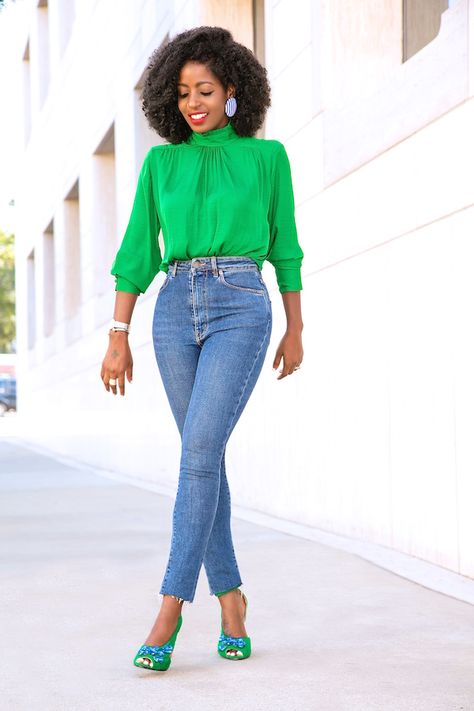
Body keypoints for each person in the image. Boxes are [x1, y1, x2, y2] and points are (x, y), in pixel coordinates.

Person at [100, 25, 304, 671]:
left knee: (196, 454)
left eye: (206, 90)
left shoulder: (267, 158)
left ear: (233, 91)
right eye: (183, 92)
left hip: (242, 304)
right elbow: (138, 251)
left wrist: (297, 327)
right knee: (202, 455)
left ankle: (169, 608)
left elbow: (287, 248)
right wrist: (116, 335)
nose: (194, 102)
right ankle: (232, 597)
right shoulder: (161, 163)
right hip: (172, 310)